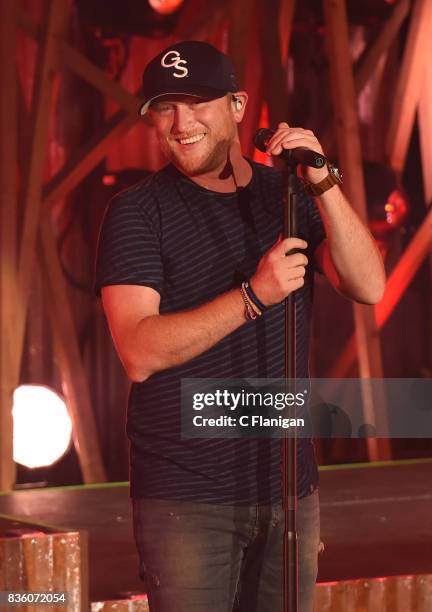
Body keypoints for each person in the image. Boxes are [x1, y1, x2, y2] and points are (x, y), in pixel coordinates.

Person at [95, 40, 385, 612]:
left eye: (198, 103)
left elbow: (369, 286)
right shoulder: (137, 211)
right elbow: (138, 349)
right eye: (165, 107)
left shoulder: (289, 196)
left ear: (237, 104)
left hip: (288, 490)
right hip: (186, 500)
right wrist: (255, 295)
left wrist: (323, 179)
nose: (182, 123)